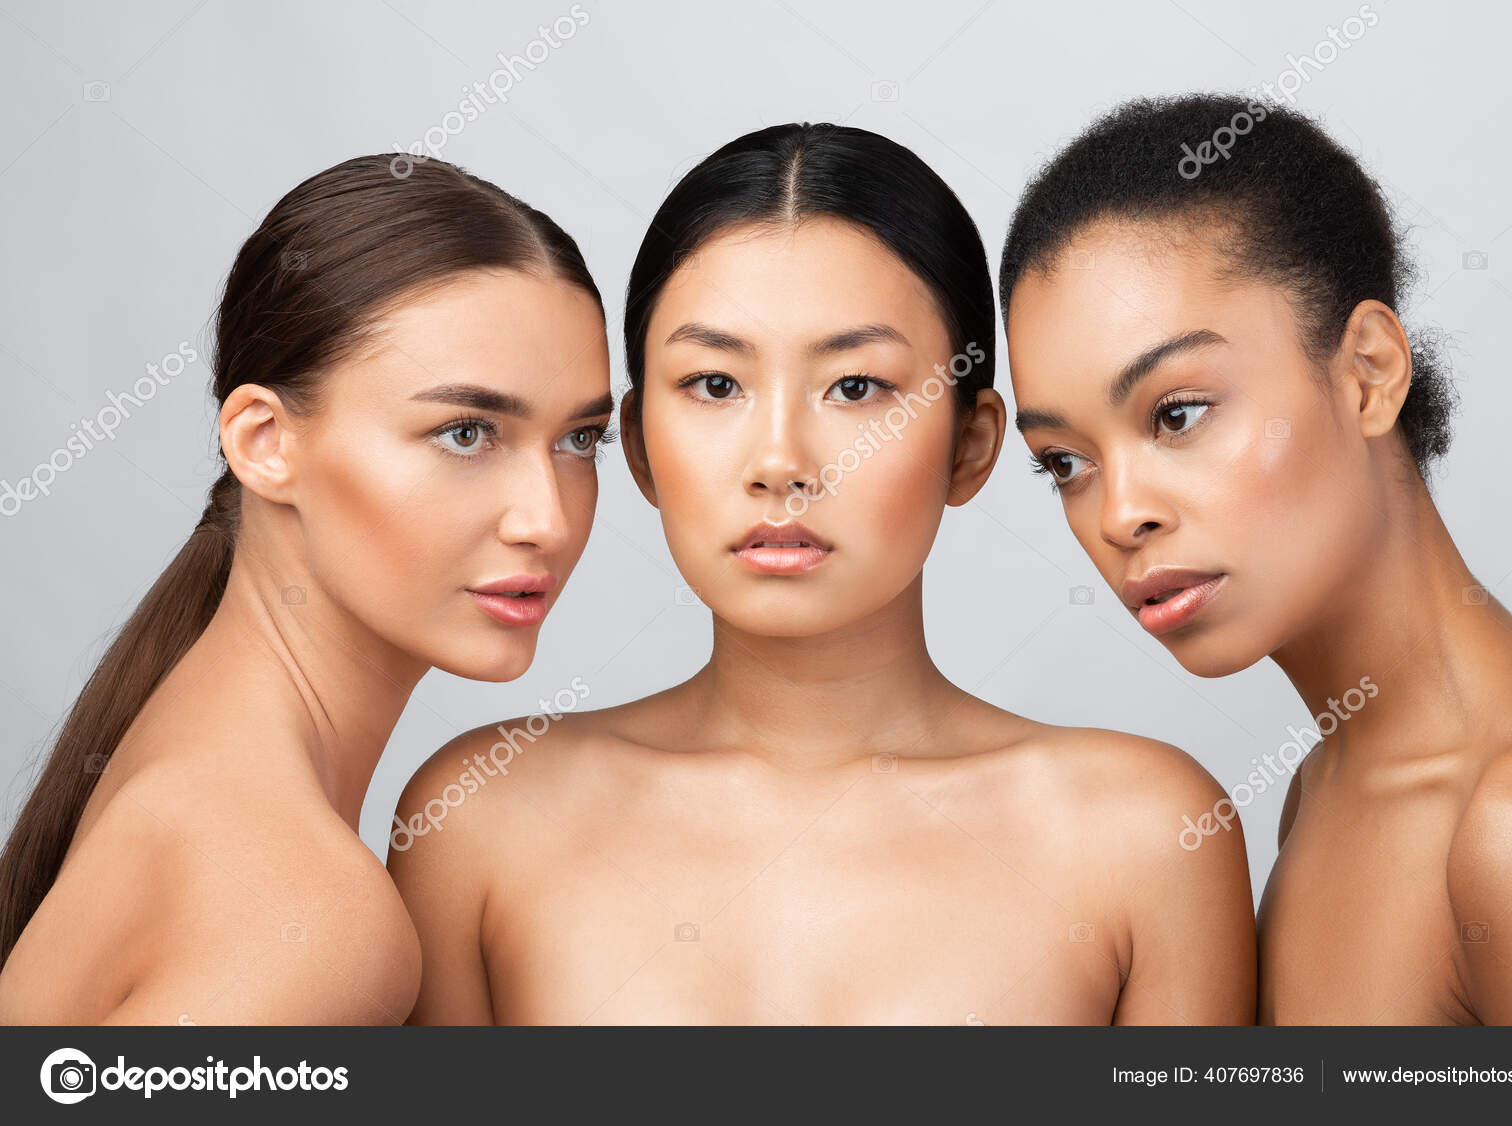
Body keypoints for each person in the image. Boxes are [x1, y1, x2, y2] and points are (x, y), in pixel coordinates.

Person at [392, 123, 1255, 1026]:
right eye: (716, 384)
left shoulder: (1146, 837)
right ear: (639, 445)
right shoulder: (476, 820)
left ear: (970, 445)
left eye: (855, 386)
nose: (780, 461)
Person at [1001, 93, 1512, 1024]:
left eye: (1177, 414)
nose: (1121, 514)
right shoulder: (1325, 790)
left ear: (1368, 371)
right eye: (1065, 463)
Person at [0, 154, 614, 1024]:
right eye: (467, 432)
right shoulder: (311, 917)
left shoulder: (185, 753)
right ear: (264, 442)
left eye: (580, 440)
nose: (547, 520)